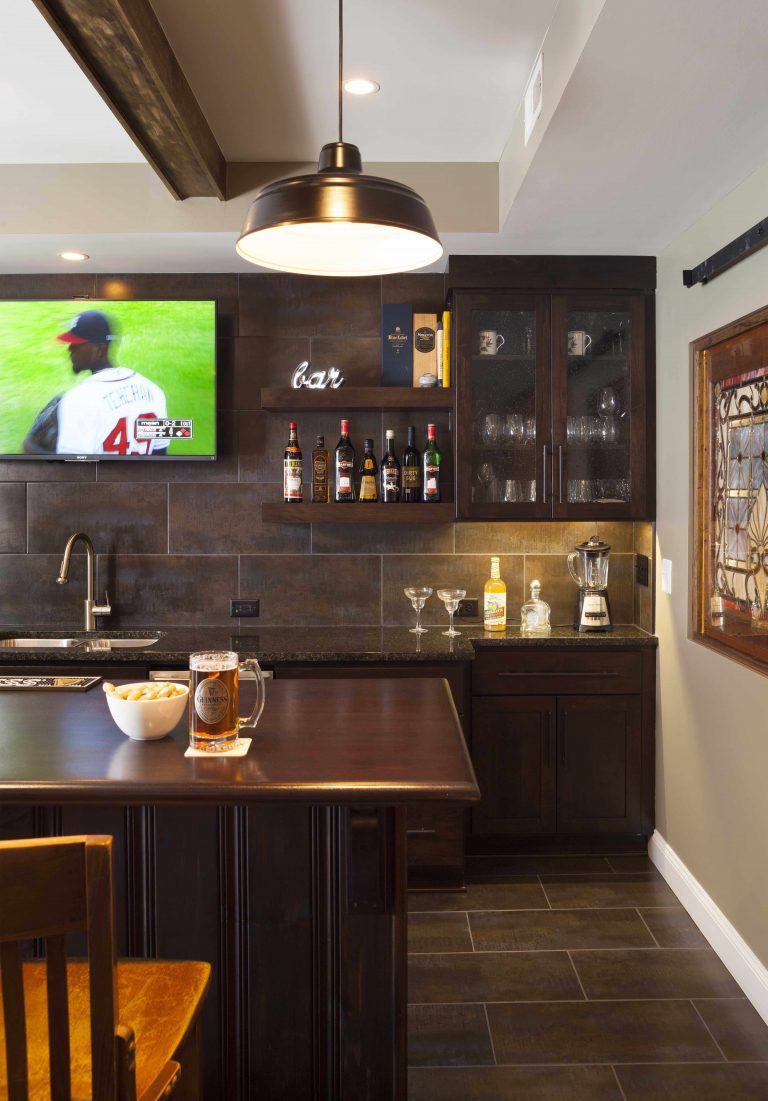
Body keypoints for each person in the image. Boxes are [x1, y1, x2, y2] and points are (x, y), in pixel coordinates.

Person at [23, 310, 168, 456]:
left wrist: (30, 448)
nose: (69, 349)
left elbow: (73, 471)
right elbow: (160, 455)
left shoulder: (78, 400)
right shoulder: (154, 392)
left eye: (76, 344)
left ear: (99, 350)